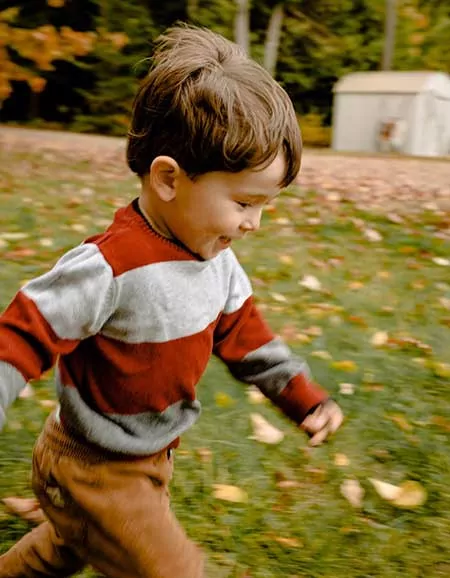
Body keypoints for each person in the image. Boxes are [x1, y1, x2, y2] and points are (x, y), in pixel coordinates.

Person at [0, 24, 343, 578]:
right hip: (94, 467)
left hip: (147, 459)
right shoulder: (110, 267)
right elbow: (24, 331)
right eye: (244, 202)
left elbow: (246, 337)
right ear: (168, 178)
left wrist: (303, 397)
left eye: (264, 206)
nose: (254, 223)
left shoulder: (217, 261)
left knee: (64, 550)